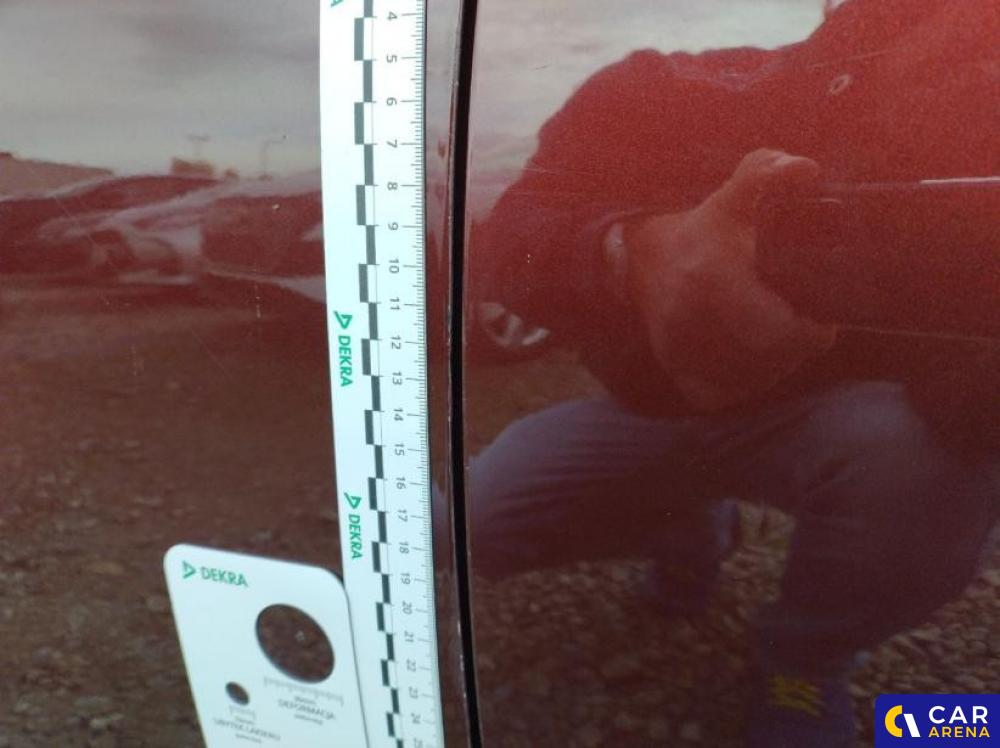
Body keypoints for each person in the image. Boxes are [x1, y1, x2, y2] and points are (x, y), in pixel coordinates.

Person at [469, 0, 998, 745]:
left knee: (937, 460)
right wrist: (634, 252)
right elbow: (508, 234)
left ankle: (805, 660)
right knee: (480, 519)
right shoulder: (659, 88)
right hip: (655, 412)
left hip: (840, 425)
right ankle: (693, 530)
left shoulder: (969, 133)